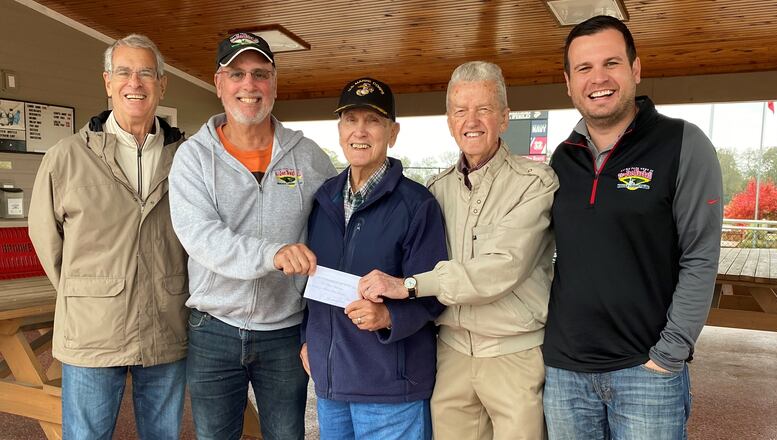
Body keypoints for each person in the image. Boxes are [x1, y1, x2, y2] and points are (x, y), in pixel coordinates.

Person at [543, 15, 723, 440]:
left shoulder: (683, 144)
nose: (598, 78)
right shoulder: (561, 159)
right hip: (565, 373)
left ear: (635, 69)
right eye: (583, 68)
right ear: (568, 83)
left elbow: (700, 255)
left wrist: (670, 353)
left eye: (611, 63)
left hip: (645, 372)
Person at [360, 61, 558, 440]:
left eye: (483, 109)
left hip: (512, 354)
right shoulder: (436, 190)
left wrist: (410, 285)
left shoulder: (534, 182)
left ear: (504, 117)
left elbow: (501, 268)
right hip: (451, 353)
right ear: (450, 122)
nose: (472, 120)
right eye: (460, 111)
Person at [168, 32, 336, 439]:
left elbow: (335, 235)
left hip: (283, 330)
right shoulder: (193, 157)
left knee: (286, 435)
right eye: (237, 73)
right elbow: (201, 236)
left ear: (274, 84)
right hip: (214, 328)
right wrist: (273, 253)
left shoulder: (309, 156)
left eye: (260, 74)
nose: (249, 85)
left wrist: (323, 326)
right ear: (219, 83)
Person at [28, 34, 188, 439]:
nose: (135, 82)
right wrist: (85, 293)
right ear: (107, 81)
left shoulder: (188, 157)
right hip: (91, 332)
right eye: (124, 72)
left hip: (166, 326)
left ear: (162, 84)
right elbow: (47, 239)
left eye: (146, 73)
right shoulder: (65, 157)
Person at [300, 77, 448, 439]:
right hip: (332, 388)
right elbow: (311, 283)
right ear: (339, 129)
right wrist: (308, 340)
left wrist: (387, 316)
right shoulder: (322, 200)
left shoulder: (417, 205)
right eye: (351, 120)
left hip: (390, 391)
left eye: (373, 121)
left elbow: (436, 295)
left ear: (392, 132)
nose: (360, 131)